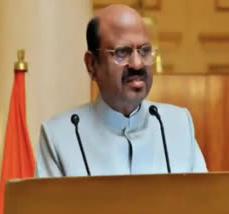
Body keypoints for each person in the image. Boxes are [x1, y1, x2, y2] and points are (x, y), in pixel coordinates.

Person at [36, 4, 207, 177]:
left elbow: (205, 201)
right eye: (122, 52)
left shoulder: (178, 126)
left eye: (145, 51)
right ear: (92, 65)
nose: (137, 63)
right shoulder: (59, 136)